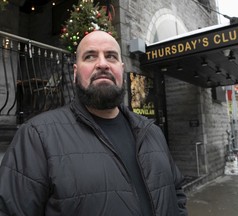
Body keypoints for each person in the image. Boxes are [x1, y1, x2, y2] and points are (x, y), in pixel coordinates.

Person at [0, 31, 187, 215]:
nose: (103, 64)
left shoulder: (151, 132)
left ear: (121, 69)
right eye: (90, 56)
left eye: (111, 56)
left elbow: (176, 193)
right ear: (75, 73)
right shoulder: (37, 137)